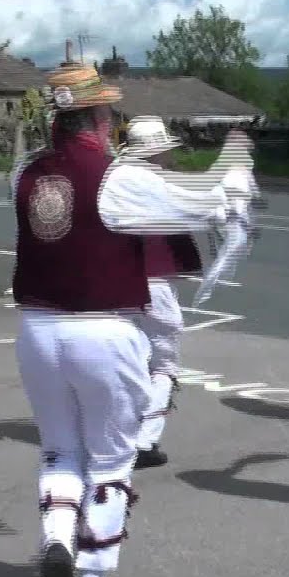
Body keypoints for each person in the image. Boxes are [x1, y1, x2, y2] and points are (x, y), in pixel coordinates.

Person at [11, 65, 255, 577]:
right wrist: (236, 175)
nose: (111, 125)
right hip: (102, 328)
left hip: (35, 328)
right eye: (109, 116)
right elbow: (199, 204)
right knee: (111, 456)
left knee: (59, 448)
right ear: (98, 119)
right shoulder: (116, 178)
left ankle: (56, 541)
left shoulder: (25, 175)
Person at [115, 115, 201, 469]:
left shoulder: (112, 185)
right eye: (164, 152)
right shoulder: (161, 186)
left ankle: (119, 431)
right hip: (154, 284)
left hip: (116, 282)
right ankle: (146, 440)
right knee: (163, 364)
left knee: (127, 360)